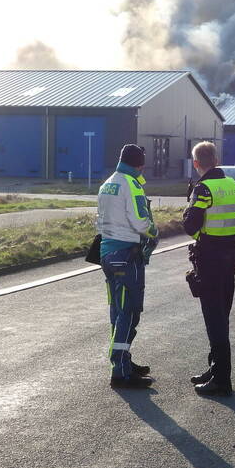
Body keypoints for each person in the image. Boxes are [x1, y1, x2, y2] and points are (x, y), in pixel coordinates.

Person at [183, 141, 235, 397]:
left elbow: (190, 227)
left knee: (214, 319)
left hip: (210, 260)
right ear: (216, 160)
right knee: (221, 315)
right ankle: (215, 368)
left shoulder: (202, 189)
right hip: (230, 259)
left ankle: (222, 380)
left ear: (196, 163)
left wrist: (189, 205)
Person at [97, 144, 158, 389]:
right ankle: (120, 369)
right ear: (139, 164)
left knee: (118, 311)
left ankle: (123, 361)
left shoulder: (107, 183)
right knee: (130, 312)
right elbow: (140, 222)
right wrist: (155, 232)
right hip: (127, 254)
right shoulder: (131, 185)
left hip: (107, 254)